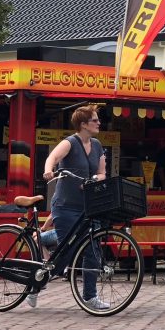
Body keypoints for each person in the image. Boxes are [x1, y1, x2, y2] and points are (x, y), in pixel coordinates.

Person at [33, 104, 108, 311]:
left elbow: (102, 173)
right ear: (83, 124)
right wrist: (49, 171)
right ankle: (37, 280)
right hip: (66, 206)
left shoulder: (97, 145)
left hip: (88, 206)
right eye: (95, 120)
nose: (99, 123)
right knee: (71, 248)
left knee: (92, 248)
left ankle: (90, 297)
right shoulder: (70, 143)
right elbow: (52, 158)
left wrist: (94, 178)